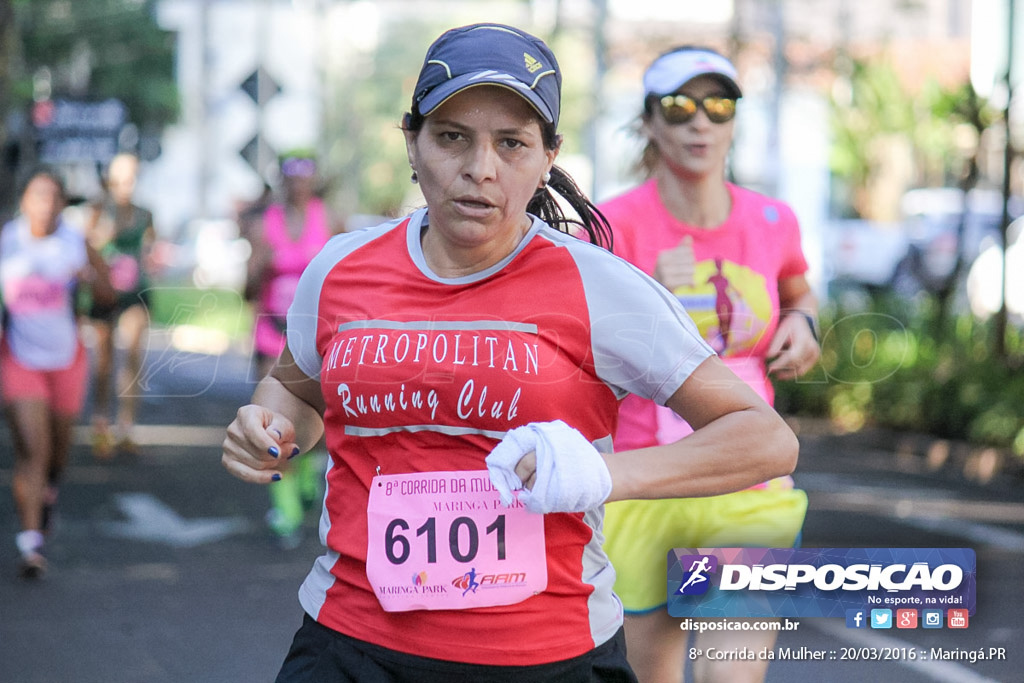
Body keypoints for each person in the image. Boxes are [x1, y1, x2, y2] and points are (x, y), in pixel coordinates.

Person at [221, 24, 798, 683]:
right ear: (412, 141)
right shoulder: (340, 270)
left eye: (513, 143)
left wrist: (606, 476)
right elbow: (296, 391)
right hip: (350, 645)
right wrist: (267, 427)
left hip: (546, 659)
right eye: (451, 137)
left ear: (548, 156)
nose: (481, 167)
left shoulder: (596, 284)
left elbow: (765, 440)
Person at [598, 46, 821, 683]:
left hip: (747, 480)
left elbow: (798, 289)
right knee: (652, 675)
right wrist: (643, 289)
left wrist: (802, 324)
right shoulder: (611, 226)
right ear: (649, 122)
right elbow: (580, 339)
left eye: (718, 105)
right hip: (645, 480)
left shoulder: (773, 220)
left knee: (731, 677)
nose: (701, 122)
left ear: (732, 123)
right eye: (679, 106)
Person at [1, 168, 114, 579]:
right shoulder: (8, 240)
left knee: (57, 452)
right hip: (19, 358)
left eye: (53, 197)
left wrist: (88, 276)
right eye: (38, 195)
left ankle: (47, 493)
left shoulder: (75, 242)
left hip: (66, 359)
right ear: (25, 201)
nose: (46, 205)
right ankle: (31, 543)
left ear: (62, 204)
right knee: (33, 448)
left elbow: (108, 293)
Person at [244, 151, 335, 548]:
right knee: (274, 421)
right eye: (291, 177)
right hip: (272, 333)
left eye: (305, 176)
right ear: (282, 181)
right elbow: (245, 291)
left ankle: (313, 468)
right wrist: (257, 266)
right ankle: (286, 510)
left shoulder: (330, 219)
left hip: (318, 334)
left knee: (324, 421)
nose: (298, 184)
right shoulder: (266, 224)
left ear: (313, 182)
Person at [84, 152, 157, 459]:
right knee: (104, 362)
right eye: (120, 180)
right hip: (104, 294)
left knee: (133, 355)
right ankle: (101, 422)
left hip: (134, 293)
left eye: (131, 180)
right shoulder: (99, 211)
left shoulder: (144, 213)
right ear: (110, 182)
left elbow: (151, 247)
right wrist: (103, 237)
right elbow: (86, 247)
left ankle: (126, 426)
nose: (126, 186)